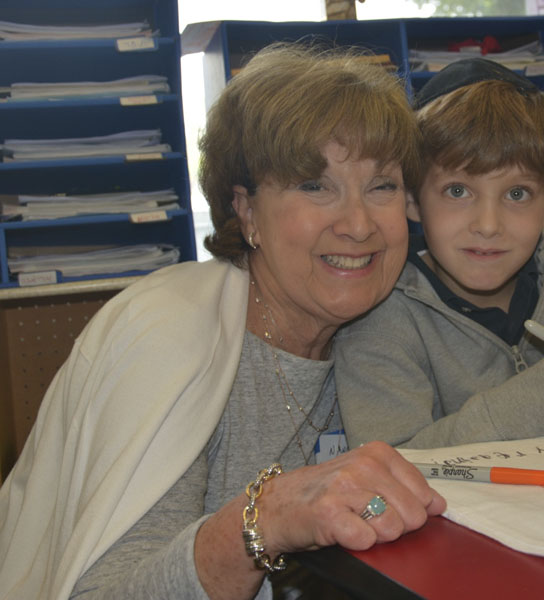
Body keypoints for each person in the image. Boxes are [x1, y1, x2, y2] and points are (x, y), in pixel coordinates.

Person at [0, 43, 445, 600]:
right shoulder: (168, 335)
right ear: (247, 210)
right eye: (314, 185)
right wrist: (264, 519)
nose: (359, 224)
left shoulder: (396, 329)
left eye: (382, 186)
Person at [335, 57, 544, 450]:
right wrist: (535, 402)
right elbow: (392, 462)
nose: (487, 225)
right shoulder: (379, 321)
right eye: (457, 191)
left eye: (517, 193)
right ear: (411, 197)